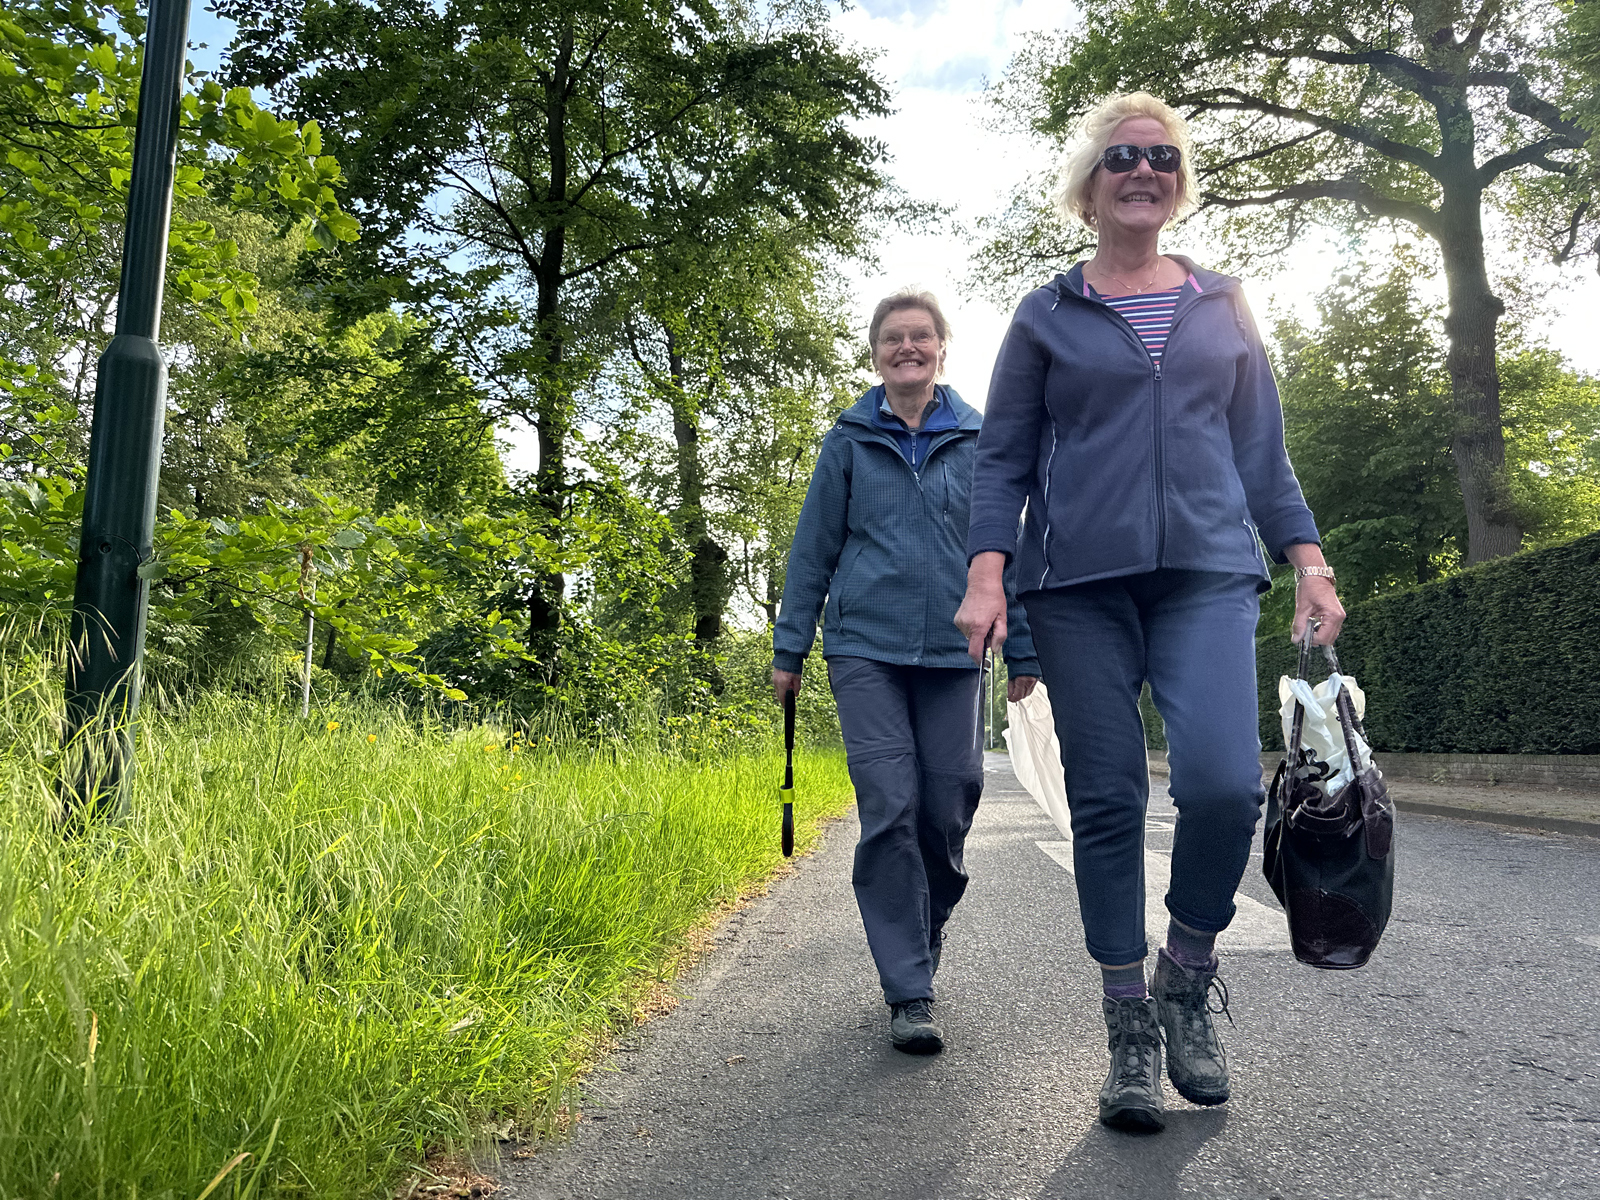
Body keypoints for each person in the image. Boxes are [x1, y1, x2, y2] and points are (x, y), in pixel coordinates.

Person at [955, 93, 1346, 1131]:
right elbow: (1002, 459)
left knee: (1221, 784)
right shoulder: (1046, 314)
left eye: (1163, 158)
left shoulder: (1225, 304)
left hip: (1208, 572)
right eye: (1123, 157)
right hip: (1076, 584)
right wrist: (988, 576)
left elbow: (1263, 453)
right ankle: (1127, 1021)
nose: (1144, 170)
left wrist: (1308, 563)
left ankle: (1186, 974)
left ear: (1179, 184)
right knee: (1109, 799)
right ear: (1088, 188)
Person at [773, 288, 1041, 1055]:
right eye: (893, 337)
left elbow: (1007, 554)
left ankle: (921, 932)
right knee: (890, 804)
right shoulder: (848, 442)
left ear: (942, 349)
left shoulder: (983, 440)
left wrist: (1023, 648)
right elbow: (813, 551)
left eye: (921, 336)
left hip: (957, 652)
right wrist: (790, 648)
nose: (908, 347)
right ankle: (909, 988)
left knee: (949, 804)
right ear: (876, 353)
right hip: (865, 648)